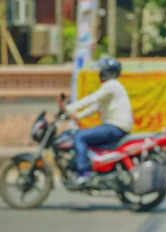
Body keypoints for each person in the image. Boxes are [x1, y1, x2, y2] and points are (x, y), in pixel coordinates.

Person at [57, 58, 133, 188]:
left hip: (115, 127)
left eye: (102, 69)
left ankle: (84, 173)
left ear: (108, 72)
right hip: (115, 126)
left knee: (79, 136)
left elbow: (92, 99)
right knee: (83, 136)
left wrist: (70, 108)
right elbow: (95, 107)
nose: (100, 72)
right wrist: (77, 116)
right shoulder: (112, 87)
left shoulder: (112, 85)